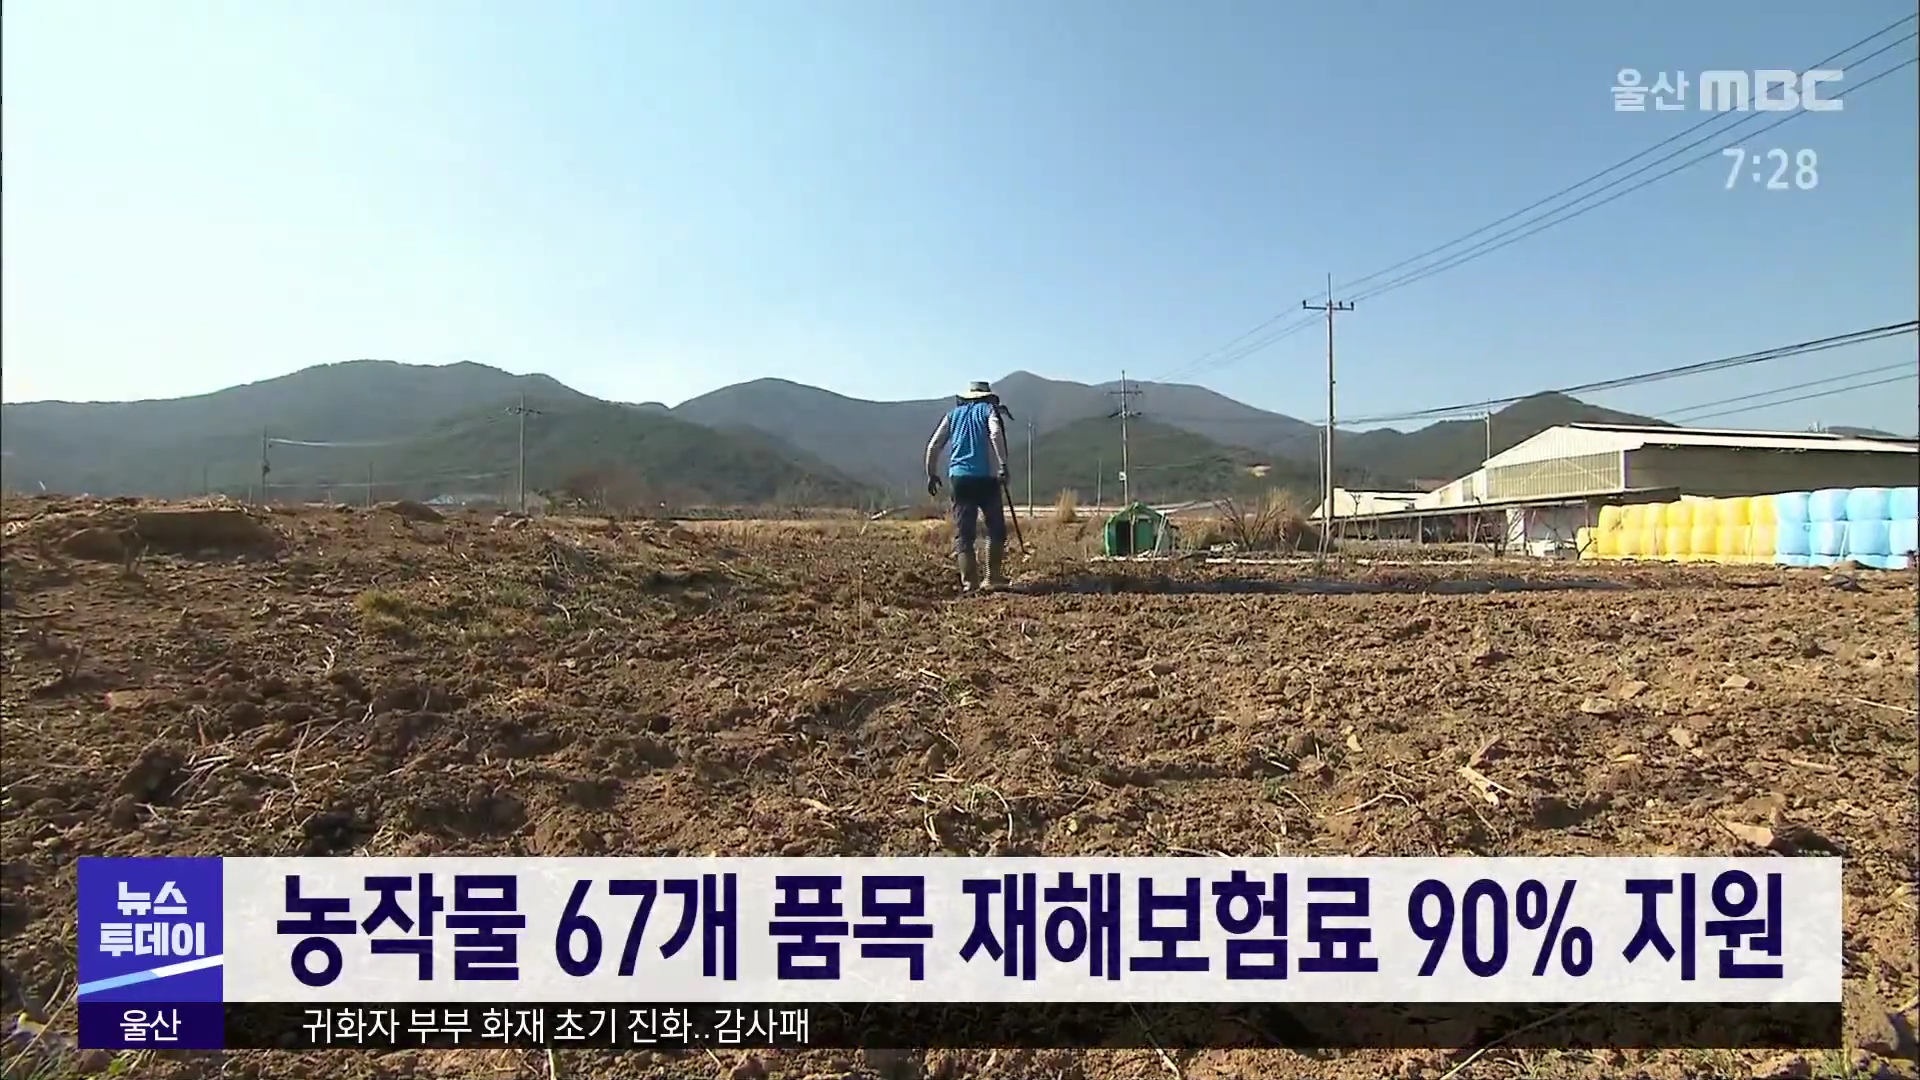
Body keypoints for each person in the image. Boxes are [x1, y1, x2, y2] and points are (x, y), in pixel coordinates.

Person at [924, 381, 1011, 592]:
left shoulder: (952, 415)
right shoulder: (989, 411)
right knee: (995, 528)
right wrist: (1003, 465)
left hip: (960, 479)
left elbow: (934, 445)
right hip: (987, 479)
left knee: (964, 532)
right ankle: (992, 577)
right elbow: (995, 434)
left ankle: (969, 583)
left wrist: (931, 474)